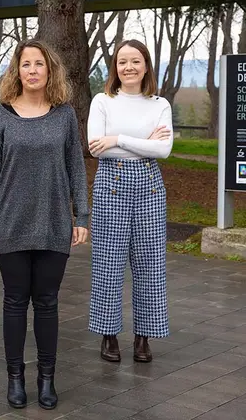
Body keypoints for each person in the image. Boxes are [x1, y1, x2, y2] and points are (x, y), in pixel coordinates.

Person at [0, 39, 89, 410]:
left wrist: (82, 216)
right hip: (10, 222)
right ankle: (15, 378)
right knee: (13, 302)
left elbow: (76, 166)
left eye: (39, 64)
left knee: (46, 302)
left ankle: (46, 379)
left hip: (55, 221)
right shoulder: (3, 115)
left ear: (49, 69)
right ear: (17, 71)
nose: (32, 70)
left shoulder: (65, 115)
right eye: (25, 64)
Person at [87, 39, 172, 364]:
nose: (129, 67)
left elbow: (163, 150)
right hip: (111, 185)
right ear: (115, 67)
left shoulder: (159, 104)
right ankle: (109, 335)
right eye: (122, 61)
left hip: (150, 187)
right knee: (109, 263)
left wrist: (119, 139)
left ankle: (143, 337)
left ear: (146, 65)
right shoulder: (103, 100)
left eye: (135, 61)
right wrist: (143, 142)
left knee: (150, 264)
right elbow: (96, 147)